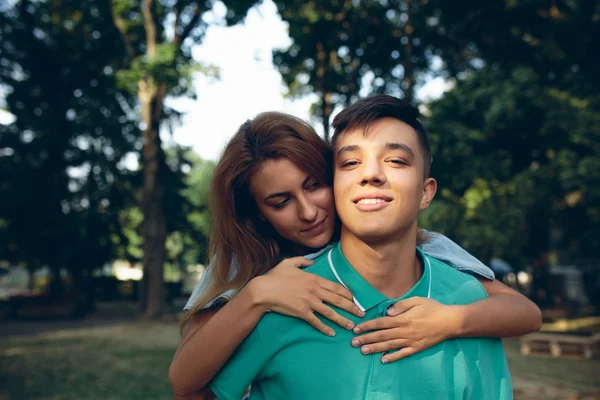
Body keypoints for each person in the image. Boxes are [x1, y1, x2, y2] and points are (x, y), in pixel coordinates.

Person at [169, 105, 541, 399]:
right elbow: (185, 380)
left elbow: (522, 312)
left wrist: (447, 321)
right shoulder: (242, 260)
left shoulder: (426, 245)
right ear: (259, 215)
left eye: (315, 185)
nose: (309, 212)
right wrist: (257, 293)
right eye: (280, 201)